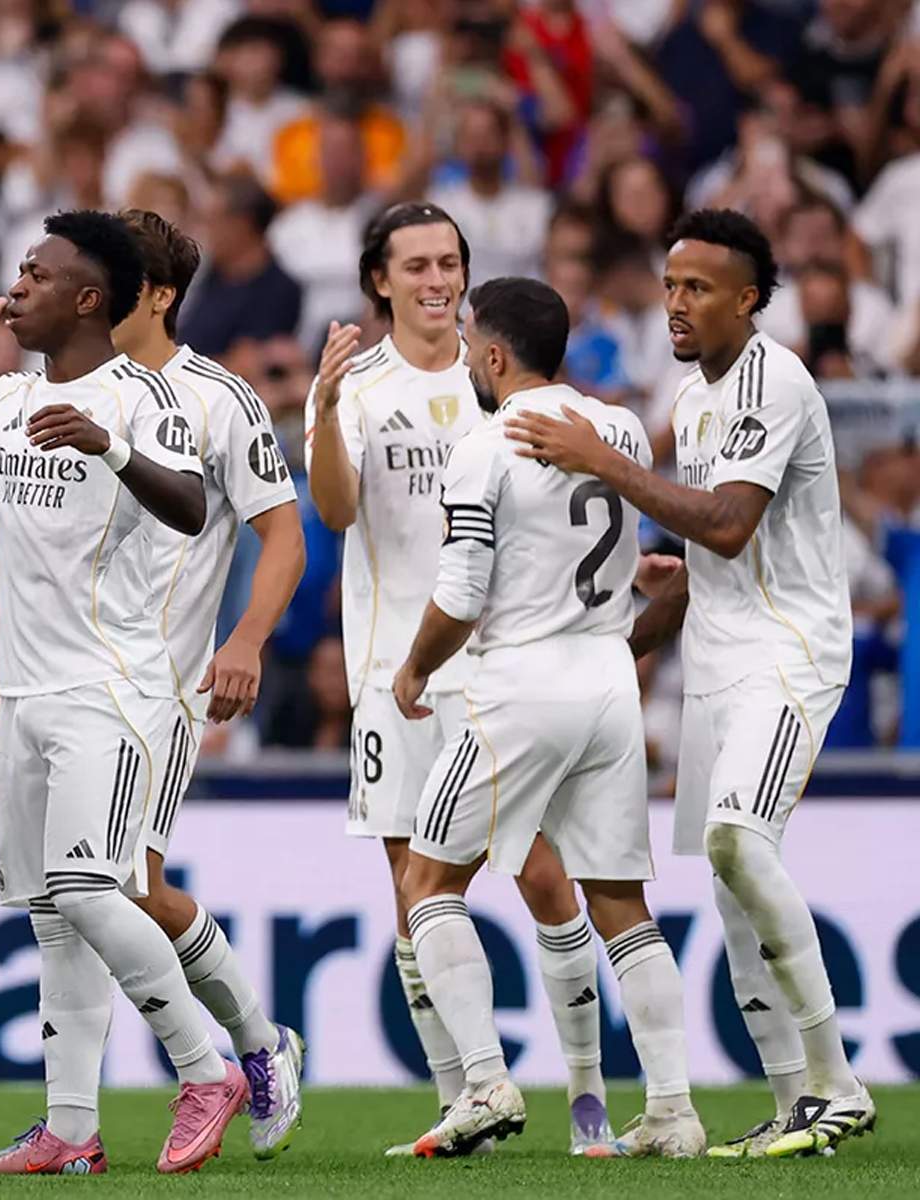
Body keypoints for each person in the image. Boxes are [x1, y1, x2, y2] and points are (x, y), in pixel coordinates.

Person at [507, 208, 873, 1160]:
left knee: (736, 842)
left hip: (788, 654)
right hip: (716, 652)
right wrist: (620, 645)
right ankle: (797, 1103)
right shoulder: (699, 399)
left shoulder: (774, 381)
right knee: (727, 880)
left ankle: (840, 1084)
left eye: (698, 288)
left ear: (748, 300)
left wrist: (605, 464)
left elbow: (723, 524)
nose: (675, 304)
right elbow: (703, 556)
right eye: (670, 285)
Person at [0, 211, 246, 1176]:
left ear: (89, 300)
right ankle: (71, 1129)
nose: (14, 289)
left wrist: (107, 444)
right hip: (26, 692)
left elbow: (188, 506)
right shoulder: (9, 398)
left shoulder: (144, 395)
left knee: (92, 886)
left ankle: (204, 1068)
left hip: (115, 684)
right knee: (53, 914)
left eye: (35, 276)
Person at [304, 202, 611, 1155]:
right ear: (380, 281)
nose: (438, 281)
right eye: (418, 266)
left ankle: (591, 1096)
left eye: (451, 264)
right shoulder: (358, 388)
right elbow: (338, 512)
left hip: (503, 667)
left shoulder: (508, 388)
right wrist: (317, 412)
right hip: (393, 669)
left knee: (542, 872)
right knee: (409, 882)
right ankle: (468, 1092)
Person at [389, 277, 703, 1160]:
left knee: (426, 886)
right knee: (619, 904)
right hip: (610, 680)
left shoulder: (484, 445)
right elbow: (591, 536)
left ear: (493, 355)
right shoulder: (622, 428)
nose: (463, 358)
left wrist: (415, 666)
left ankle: (486, 1083)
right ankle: (673, 1110)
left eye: (467, 344)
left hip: (519, 686)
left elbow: (460, 593)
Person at [108, 209, 307, 1158]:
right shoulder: (66, 382)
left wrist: (250, 639)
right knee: (81, 890)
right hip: (70, 681)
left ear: (158, 295)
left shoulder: (219, 399)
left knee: (127, 883)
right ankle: (75, 1118)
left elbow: (285, 532)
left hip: (164, 681)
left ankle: (253, 1047)